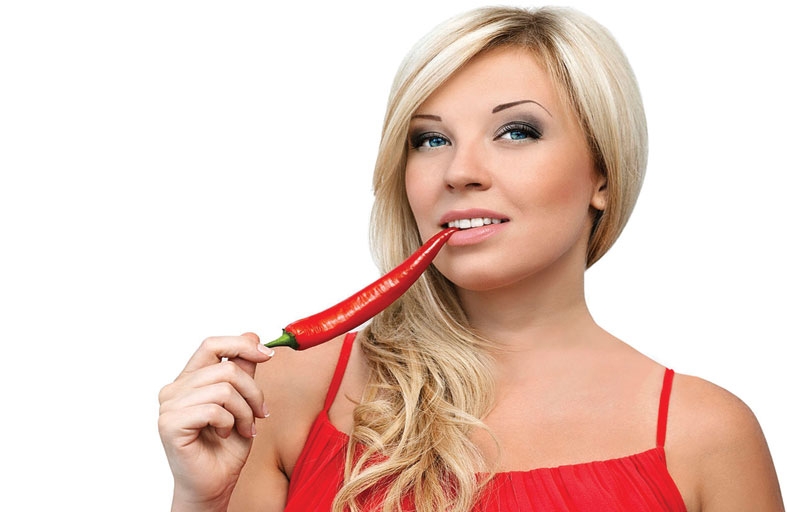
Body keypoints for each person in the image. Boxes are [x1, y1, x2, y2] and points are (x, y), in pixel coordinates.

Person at [158, 5, 784, 511]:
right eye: (431, 139)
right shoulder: (287, 392)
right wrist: (200, 502)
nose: (459, 171)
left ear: (602, 172)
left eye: (517, 132)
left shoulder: (707, 436)